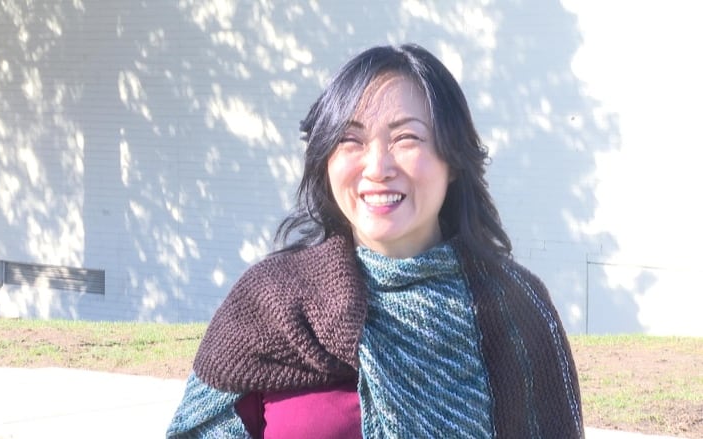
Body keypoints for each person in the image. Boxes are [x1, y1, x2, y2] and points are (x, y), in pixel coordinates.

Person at [167, 43, 583, 438]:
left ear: (453, 161)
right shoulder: (269, 299)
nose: (378, 167)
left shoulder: (513, 306)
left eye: (407, 138)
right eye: (351, 139)